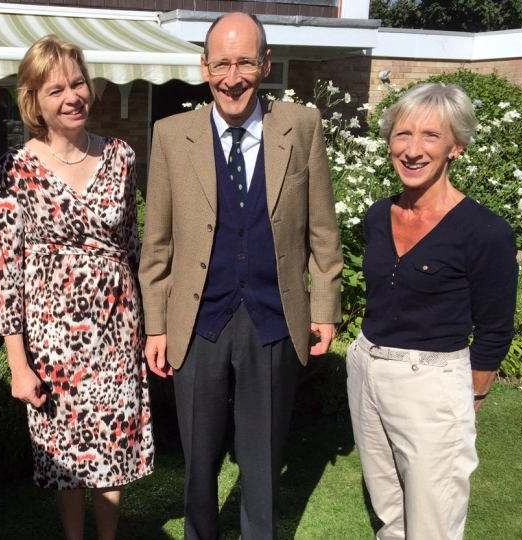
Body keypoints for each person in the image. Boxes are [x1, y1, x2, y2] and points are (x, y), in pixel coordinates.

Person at [138, 12, 343, 540]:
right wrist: (156, 325)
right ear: (204, 66)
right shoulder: (170, 134)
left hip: (272, 319)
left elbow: (322, 228)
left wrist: (324, 307)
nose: (233, 77)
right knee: (198, 463)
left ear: (266, 63)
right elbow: (157, 242)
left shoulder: (301, 126)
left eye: (246, 61)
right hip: (198, 319)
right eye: (222, 63)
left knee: (263, 462)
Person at [0, 35, 154, 540]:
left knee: (111, 447)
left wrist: (151, 328)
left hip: (116, 331)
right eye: (55, 88)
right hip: (53, 342)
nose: (72, 96)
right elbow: (5, 272)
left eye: (78, 82)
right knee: (64, 454)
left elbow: (132, 245)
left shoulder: (121, 156)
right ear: (34, 101)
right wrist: (18, 364)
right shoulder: (16, 169)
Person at [347, 82, 518, 540]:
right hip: (366, 366)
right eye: (402, 134)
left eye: (430, 136)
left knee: (433, 524)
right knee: (391, 515)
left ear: (455, 148)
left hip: (431, 382)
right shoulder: (377, 214)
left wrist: (472, 398)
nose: (412, 149)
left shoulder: (485, 232)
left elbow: (495, 330)